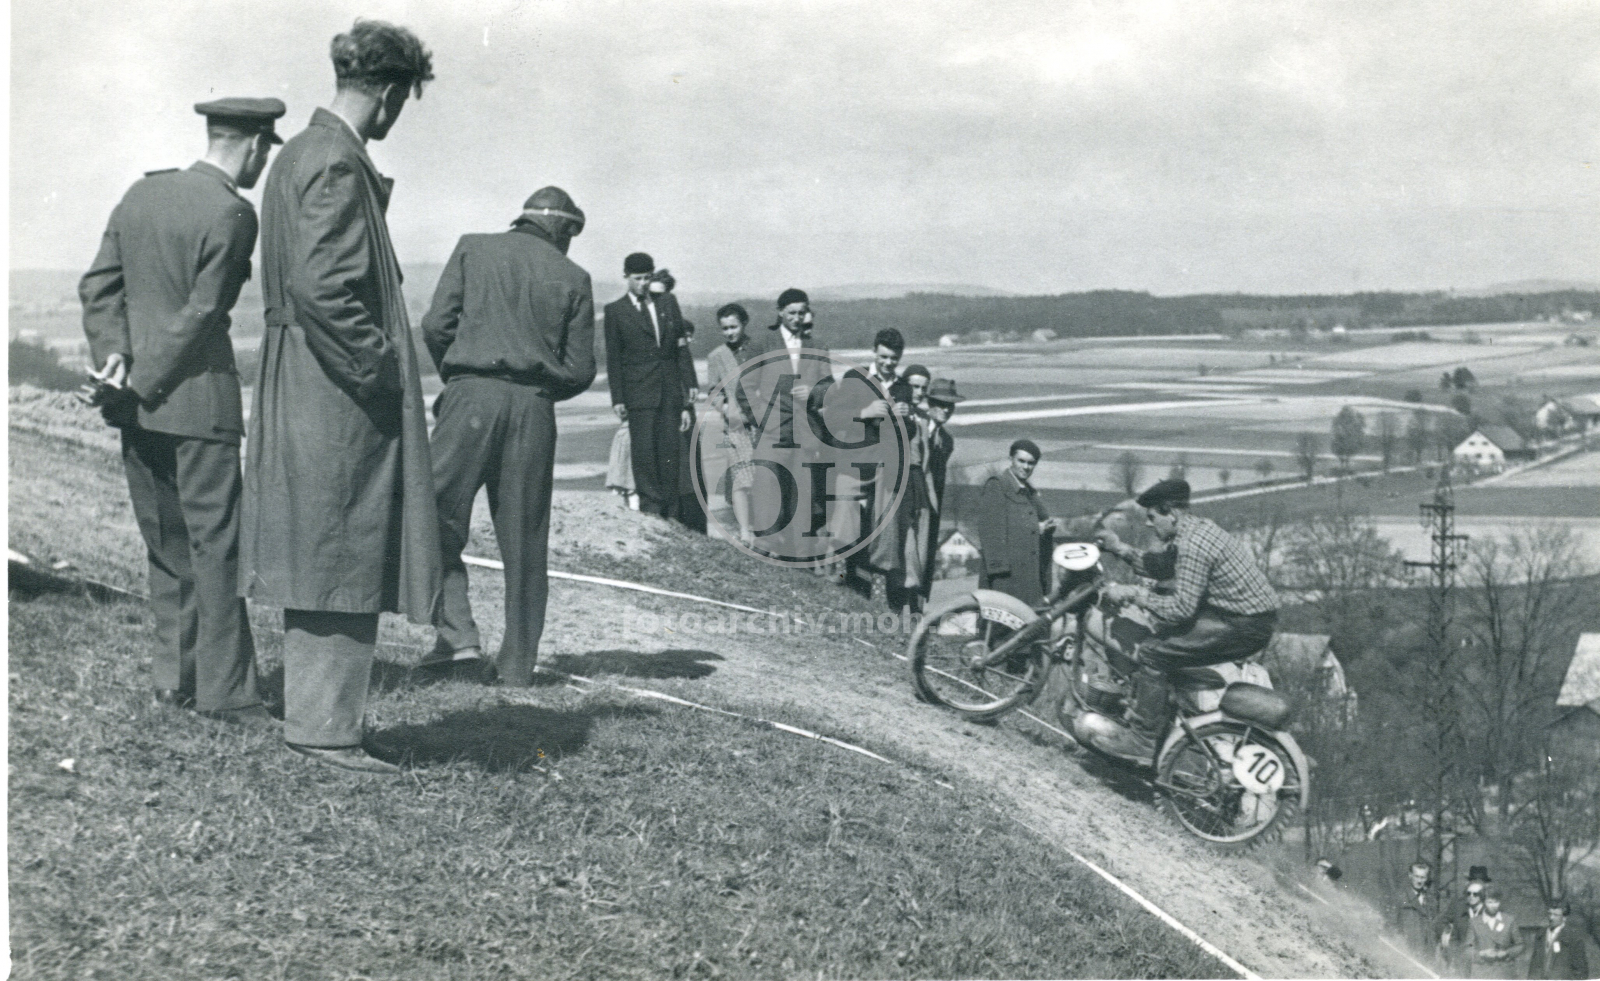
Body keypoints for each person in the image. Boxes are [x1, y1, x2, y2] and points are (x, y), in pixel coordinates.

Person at [240, 20, 441, 775]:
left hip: (307, 375)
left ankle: (322, 722)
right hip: (335, 387)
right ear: (389, 94)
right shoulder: (335, 162)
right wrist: (381, 366)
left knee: (324, 542)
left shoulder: (299, 151)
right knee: (340, 544)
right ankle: (325, 733)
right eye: (402, 101)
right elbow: (324, 286)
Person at [78, 97, 285, 726]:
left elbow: (98, 288)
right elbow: (201, 314)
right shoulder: (232, 212)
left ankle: (173, 684)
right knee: (216, 549)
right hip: (197, 407)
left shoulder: (140, 196)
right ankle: (229, 695)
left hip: (137, 411)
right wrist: (139, 381)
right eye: (263, 154)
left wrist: (116, 363)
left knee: (166, 547)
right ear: (254, 146)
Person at [419, 187, 595, 687]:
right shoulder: (574, 277)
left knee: (430, 512)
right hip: (535, 411)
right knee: (524, 537)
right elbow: (580, 370)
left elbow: (435, 325)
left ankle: (457, 637)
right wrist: (534, 392)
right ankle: (518, 667)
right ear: (562, 228)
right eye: (572, 235)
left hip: (470, 398)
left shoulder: (473, 247)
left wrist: (462, 380)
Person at [1084, 477, 1279, 763]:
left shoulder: (1192, 546)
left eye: (1152, 517)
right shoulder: (1195, 531)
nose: (1149, 524)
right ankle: (1158, 719)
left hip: (1244, 625)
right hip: (1241, 617)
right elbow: (1161, 567)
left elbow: (1181, 609)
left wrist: (1134, 593)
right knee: (1166, 641)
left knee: (1152, 654)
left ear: (1171, 513)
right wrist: (1119, 548)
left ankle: (1143, 741)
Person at [603, 252, 697, 521]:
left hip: (669, 393)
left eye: (647, 278)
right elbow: (614, 358)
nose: (643, 284)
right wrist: (618, 398)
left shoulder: (668, 302)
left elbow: (680, 348)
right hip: (638, 395)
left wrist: (689, 382)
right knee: (644, 457)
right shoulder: (615, 311)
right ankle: (651, 514)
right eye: (637, 278)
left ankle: (672, 517)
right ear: (626, 277)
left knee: (670, 456)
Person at [705, 302, 758, 545]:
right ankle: (746, 530)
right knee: (741, 477)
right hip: (735, 426)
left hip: (762, 423)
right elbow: (714, 391)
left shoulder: (757, 349)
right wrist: (726, 410)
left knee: (763, 476)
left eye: (734, 327)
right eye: (725, 328)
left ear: (743, 324)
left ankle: (764, 528)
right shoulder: (716, 356)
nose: (730, 333)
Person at [919, 378, 963, 602]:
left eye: (950, 405)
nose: (946, 409)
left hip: (932, 508)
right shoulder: (914, 428)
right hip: (909, 504)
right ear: (929, 402)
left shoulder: (946, 440)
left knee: (925, 561)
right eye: (941, 403)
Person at [1440, 866, 1493, 972]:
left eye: (1480, 882)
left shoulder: (1492, 908)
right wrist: (1446, 934)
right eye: (1474, 882)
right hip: (1460, 962)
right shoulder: (1458, 905)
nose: (1476, 886)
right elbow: (1441, 923)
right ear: (1468, 884)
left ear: (1485, 886)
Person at [1386, 861, 1442, 959]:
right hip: (1406, 952)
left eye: (1422, 877)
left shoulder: (1431, 899)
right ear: (1410, 875)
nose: (1419, 881)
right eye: (1416, 876)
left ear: (1427, 878)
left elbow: (1434, 927)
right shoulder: (1400, 897)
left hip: (1427, 953)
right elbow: (1391, 925)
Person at [1467, 888, 1524, 978]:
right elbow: (1467, 949)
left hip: (1504, 972)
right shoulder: (1474, 922)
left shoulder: (1509, 920)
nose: (1494, 905)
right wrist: (1482, 954)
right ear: (1483, 903)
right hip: (1482, 973)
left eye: (1496, 902)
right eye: (1490, 902)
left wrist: (1507, 953)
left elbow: (1520, 945)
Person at [1528, 898, 1590, 979]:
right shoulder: (1540, 935)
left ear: (1564, 917)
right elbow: (1533, 966)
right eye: (1549, 913)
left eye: (1555, 915)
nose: (1551, 918)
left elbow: (1581, 972)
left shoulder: (1574, 939)